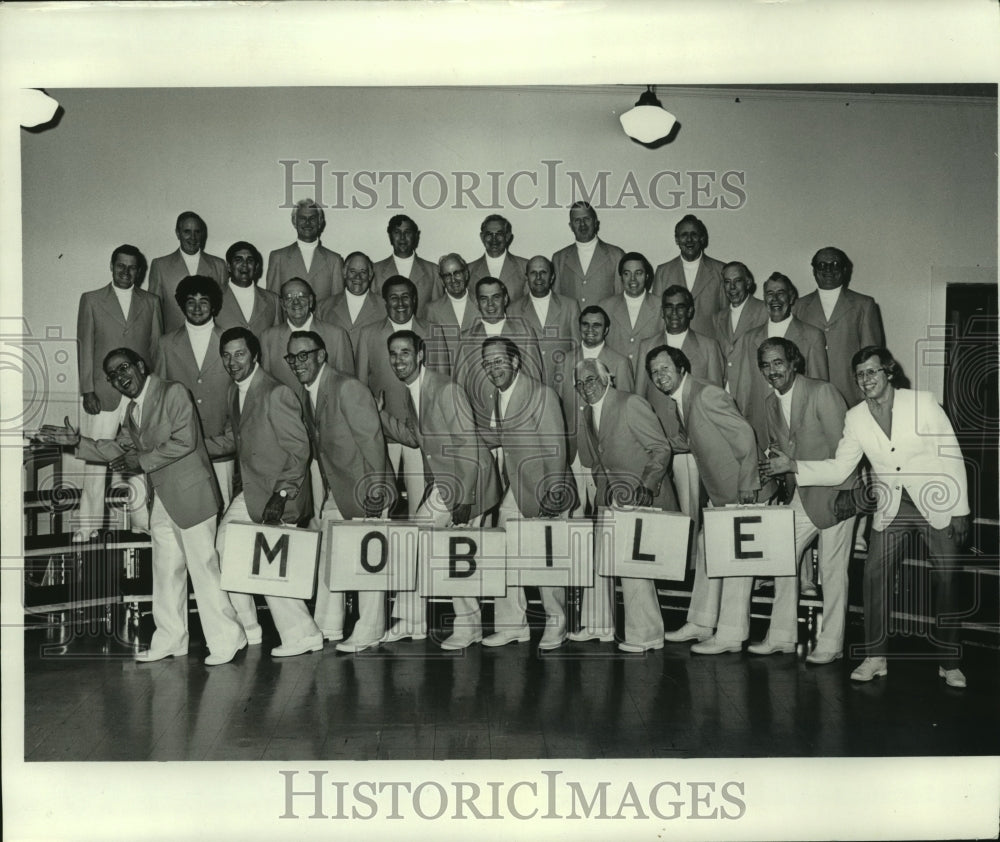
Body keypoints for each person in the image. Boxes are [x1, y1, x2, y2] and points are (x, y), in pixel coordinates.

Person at [762, 347, 970, 688]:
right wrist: (794, 466)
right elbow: (842, 467)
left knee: (947, 580)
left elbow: (951, 452)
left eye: (872, 372)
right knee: (874, 577)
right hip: (891, 507)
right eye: (860, 374)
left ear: (888, 372)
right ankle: (875, 657)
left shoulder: (922, 403)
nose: (866, 380)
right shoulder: (856, 417)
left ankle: (950, 662)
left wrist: (960, 509)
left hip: (937, 501)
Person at [39, 348, 245, 665]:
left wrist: (142, 460)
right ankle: (170, 639)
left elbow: (186, 440)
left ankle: (229, 638)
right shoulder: (132, 409)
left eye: (124, 369)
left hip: (192, 496)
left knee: (204, 569)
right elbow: (119, 448)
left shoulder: (172, 391)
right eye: (113, 376)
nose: (121, 378)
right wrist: (76, 442)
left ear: (139, 366)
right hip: (161, 498)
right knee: (165, 572)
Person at [378, 330, 501, 650]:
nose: (398, 360)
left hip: (467, 481)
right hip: (447, 482)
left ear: (420, 355)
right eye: (393, 353)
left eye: (405, 352)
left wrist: (464, 499)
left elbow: (469, 446)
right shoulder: (412, 391)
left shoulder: (445, 389)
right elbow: (416, 438)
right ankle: (414, 620)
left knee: (446, 552)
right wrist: (379, 415)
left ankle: (467, 624)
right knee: (422, 545)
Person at [207, 327, 324, 658]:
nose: (232, 362)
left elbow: (300, 449)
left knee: (270, 568)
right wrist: (192, 447)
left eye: (239, 354)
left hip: (278, 495)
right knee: (225, 546)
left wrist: (282, 496)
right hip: (253, 493)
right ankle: (248, 626)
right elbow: (235, 439)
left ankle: (304, 634)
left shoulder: (275, 393)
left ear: (254, 355)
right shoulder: (237, 391)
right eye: (226, 355)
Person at [741, 338, 858, 663]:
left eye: (778, 362)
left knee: (833, 572)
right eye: (765, 364)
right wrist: (772, 470)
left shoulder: (823, 392)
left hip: (839, 493)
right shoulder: (769, 403)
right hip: (801, 495)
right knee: (781, 560)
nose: (771, 370)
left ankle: (831, 643)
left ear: (794, 363)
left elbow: (845, 454)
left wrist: (846, 497)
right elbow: (784, 449)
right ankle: (781, 636)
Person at [287, 330, 395, 652]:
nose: (297, 363)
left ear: (322, 355)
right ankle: (328, 625)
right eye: (291, 358)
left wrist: (375, 491)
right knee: (329, 558)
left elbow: (373, 442)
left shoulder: (347, 387)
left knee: (368, 566)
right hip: (339, 489)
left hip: (366, 488)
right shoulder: (309, 390)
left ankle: (370, 629)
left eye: (304, 355)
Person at [649, 346, 761, 654]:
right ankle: (701, 622)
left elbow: (745, 435)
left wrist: (749, 485)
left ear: (682, 367)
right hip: (721, 493)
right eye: (655, 372)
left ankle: (731, 635)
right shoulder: (681, 400)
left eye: (665, 369)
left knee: (736, 563)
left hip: (741, 491)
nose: (660, 376)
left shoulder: (705, 394)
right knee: (705, 546)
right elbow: (691, 439)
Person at [570, 358, 677, 652]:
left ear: (608, 378)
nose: (585, 387)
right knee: (599, 562)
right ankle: (598, 625)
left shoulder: (631, 403)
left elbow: (660, 448)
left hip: (641, 494)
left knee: (633, 569)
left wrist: (647, 483)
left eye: (590, 379)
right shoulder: (587, 411)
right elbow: (597, 457)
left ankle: (647, 635)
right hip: (611, 496)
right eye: (579, 383)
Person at [475, 338, 575, 651]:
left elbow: (556, 447)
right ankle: (511, 625)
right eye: (487, 363)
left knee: (546, 562)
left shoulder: (541, 394)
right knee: (504, 553)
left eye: (499, 361)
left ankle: (556, 623)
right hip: (515, 489)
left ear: (516, 362)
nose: (493, 369)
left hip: (546, 489)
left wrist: (553, 492)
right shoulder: (498, 395)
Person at [73, 244, 161, 539]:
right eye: (120, 266)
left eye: (132, 267)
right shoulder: (92, 300)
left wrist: (151, 393)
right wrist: (87, 389)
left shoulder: (151, 302)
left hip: (138, 395)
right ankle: (88, 528)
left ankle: (141, 526)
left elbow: (155, 349)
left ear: (140, 270)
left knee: (137, 460)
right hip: (102, 395)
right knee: (96, 463)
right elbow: (85, 346)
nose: (126, 272)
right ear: (112, 267)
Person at [634, 285, 724, 543]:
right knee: (658, 505)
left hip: (692, 443)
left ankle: (690, 566)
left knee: (691, 504)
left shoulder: (708, 346)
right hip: (656, 439)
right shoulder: (646, 345)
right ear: (662, 311)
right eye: (669, 307)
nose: (675, 312)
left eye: (681, 306)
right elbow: (640, 396)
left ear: (691, 310)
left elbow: (715, 396)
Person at [356, 276, 440, 519]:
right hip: (382, 431)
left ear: (414, 299)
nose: (400, 302)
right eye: (393, 297)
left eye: (406, 296)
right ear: (384, 302)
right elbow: (361, 385)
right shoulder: (369, 334)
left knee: (421, 505)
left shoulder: (432, 331)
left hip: (421, 432)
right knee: (379, 503)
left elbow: (441, 380)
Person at [153, 275, 234, 510]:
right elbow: (159, 394)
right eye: (191, 302)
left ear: (214, 305)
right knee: (188, 508)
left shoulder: (230, 340)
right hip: (181, 441)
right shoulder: (166, 343)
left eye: (204, 301)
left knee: (223, 504)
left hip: (221, 439)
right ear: (181, 305)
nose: (197, 308)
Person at [731, 272, 829, 455]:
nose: (775, 299)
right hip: (759, 428)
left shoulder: (812, 336)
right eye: (769, 294)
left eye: (781, 293)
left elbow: (819, 387)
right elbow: (743, 389)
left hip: (798, 428)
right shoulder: (749, 338)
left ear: (791, 297)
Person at [559, 305, 634, 516]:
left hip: (602, 448)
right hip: (573, 446)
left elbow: (625, 408)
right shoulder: (566, 359)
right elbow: (561, 400)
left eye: (597, 325)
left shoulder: (619, 362)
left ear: (606, 330)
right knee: (574, 508)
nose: (590, 329)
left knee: (603, 507)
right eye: (585, 324)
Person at [793, 247, 885, 405]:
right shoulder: (799, 306)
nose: (828, 269)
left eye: (834, 264)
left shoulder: (863, 305)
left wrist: (870, 393)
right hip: (810, 392)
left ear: (844, 269)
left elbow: (871, 355)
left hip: (851, 392)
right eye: (822, 265)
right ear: (814, 270)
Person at [452, 278, 545, 422]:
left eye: (496, 297)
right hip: (481, 425)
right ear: (476, 303)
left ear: (505, 299)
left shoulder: (524, 332)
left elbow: (535, 381)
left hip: (519, 421)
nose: (490, 304)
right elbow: (458, 388)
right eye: (484, 299)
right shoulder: (465, 339)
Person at [259, 277, 355, 392]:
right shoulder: (268, 338)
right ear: (283, 304)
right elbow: (265, 386)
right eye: (289, 297)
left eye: (301, 296)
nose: (296, 302)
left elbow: (348, 384)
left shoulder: (337, 335)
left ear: (310, 301)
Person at [148, 211, 228, 333]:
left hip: (211, 338)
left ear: (203, 234)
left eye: (197, 232)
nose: (193, 237)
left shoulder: (219, 265)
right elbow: (154, 312)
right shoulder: (160, 266)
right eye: (187, 232)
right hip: (173, 340)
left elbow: (223, 308)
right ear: (177, 233)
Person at [508, 255, 581, 388]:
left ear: (552, 277)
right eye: (533, 273)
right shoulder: (513, 310)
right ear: (526, 277)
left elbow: (577, 349)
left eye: (543, 272)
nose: (538, 278)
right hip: (529, 384)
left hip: (563, 382)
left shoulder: (569, 306)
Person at [651, 214, 727, 339]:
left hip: (708, 346)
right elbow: (658, 315)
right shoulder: (663, 271)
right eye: (684, 235)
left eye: (694, 234)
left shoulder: (720, 271)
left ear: (702, 238)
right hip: (673, 345)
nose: (689, 240)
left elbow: (726, 317)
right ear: (677, 240)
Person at [265, 198, 345, 303]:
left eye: (312, 218)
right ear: (294, 221)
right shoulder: (278, 257)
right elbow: (272, 303)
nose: (307, 223)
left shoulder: (334, 260)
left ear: (320, 222)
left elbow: (337, 304)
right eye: (302, 218)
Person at [550, 201, 625, 308]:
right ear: (571, 226)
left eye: (587, 219)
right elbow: (556, 303)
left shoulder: (616, 255)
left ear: (595, 222)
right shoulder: (559, 259)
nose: (582, 224)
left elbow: (620, 299)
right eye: (577, 220)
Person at [599, 251, 662, 376]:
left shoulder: (660, 306)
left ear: (647, 276)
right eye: (627, 274)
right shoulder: (605, 306)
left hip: (649, 378)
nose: (633, 279)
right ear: (621, 277)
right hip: (615, 377)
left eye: (638, 273)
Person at [315, 251, 385, 355]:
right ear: (344, 273)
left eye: (363, 272)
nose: (358, 277)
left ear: (370, 275)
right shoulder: (323, 307)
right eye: (352, 271)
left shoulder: (384, 307)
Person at [712, 261, 768, 387]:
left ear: (748, 283)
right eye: (727, 282)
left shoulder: (764, 311)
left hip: (754, 387)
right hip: (727, 389)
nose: (732, 287)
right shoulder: (718, 318)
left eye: (737, 281)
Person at [372, 214, 442, 312]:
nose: (402, 237)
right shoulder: (375, 271)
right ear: (390, 236)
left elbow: (437, 312)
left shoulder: (433, 271)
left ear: (415, 236)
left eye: (407, 232)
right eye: (397, 232)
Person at [424, 253, 479, 369]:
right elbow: (432, 355)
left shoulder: (481, 304)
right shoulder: (432, 310)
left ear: (466, 274)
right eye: (447, 275)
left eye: (457, 273)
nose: (453, 280)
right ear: (442, 280)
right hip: (450, 379)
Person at [216, 241, 281, 337]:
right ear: (229, 266)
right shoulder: (215, 296)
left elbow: (277, 339)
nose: (244, 265)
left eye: (250, 260)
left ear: (256, 267)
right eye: (238, 260)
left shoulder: (273, 300)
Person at [467, 214, 528, 302]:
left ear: (507, 237)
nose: (494, 239)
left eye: (499, 234)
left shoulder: (525, 267)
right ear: (482, 237)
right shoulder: (468, 271)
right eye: (489, 234)